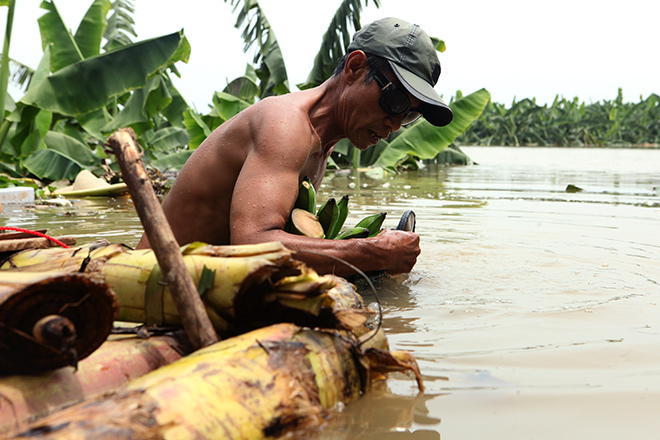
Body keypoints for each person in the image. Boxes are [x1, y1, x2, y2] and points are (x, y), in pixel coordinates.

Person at [136, 17, 453, 276]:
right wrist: (371, 252)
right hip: (151, 283)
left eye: (410, 114)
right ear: (355, 68)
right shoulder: (286, 125)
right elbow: (252, 244)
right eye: (395, 101)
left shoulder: (320, 143)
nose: (395, 123)